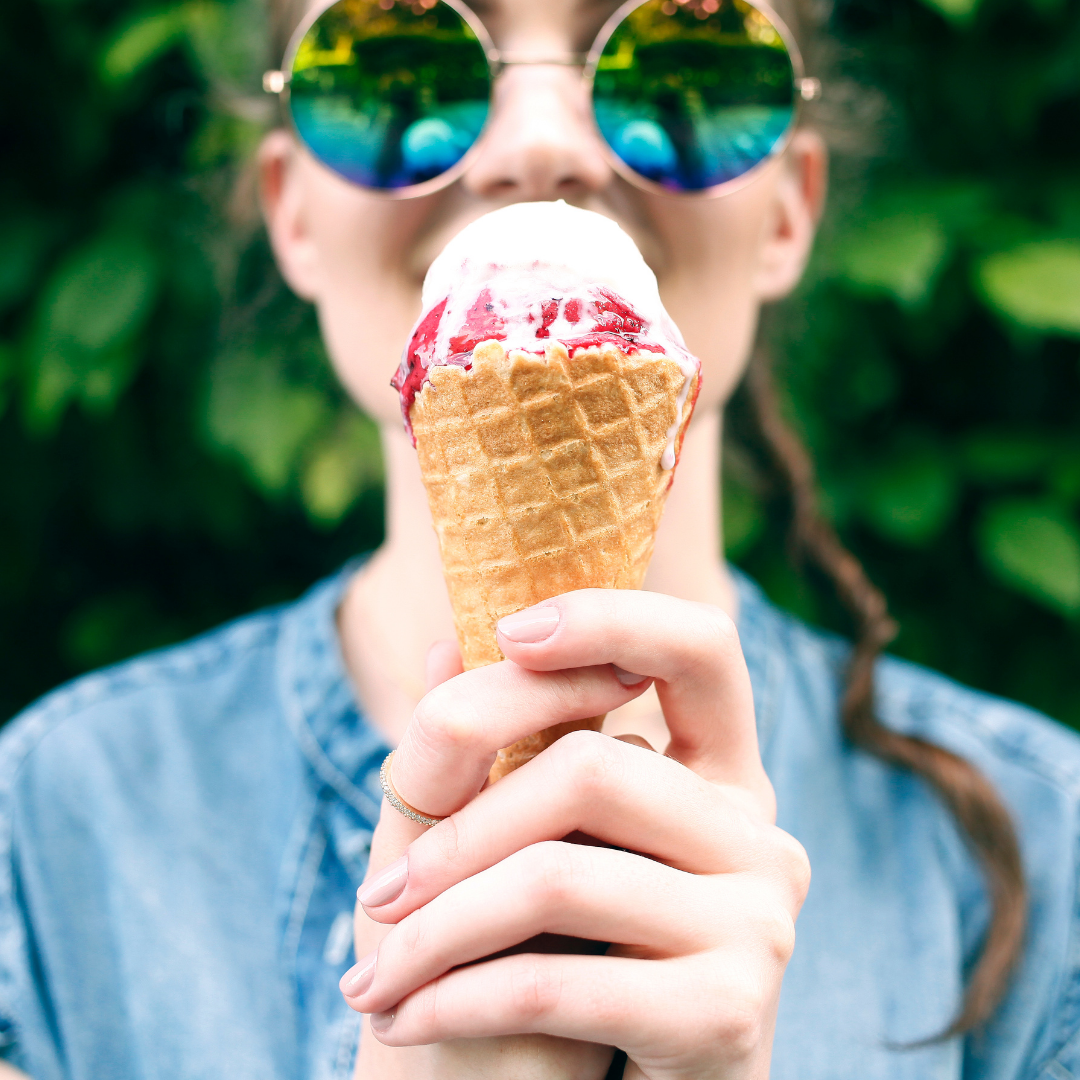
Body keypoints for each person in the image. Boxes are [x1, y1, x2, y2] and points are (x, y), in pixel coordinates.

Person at [2, 0, 1079, 1077]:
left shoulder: (1046, 853)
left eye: (672, 63)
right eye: (399, 63)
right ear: (293, 214)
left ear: (789, 210)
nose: (541, 145)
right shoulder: (43, 840)